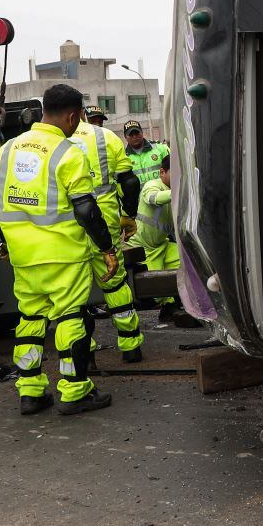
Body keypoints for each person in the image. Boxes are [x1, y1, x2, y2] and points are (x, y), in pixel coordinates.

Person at [0, 84, 120, 415]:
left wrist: (4, 243)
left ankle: (31, 392)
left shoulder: (6, 151)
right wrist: (106, 247)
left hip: (23, 255)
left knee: (30, 319)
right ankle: (75, 391)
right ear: (73, 115)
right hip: (63, 253)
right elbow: (86, 210)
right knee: (71, 318)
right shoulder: (68, 152)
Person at [77, 105, 146, 362]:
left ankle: (84, 356)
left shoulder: (51, 142)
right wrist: (128, 215)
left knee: (74, 293)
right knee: (115, 282)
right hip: (105, 221)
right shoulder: (104, 137)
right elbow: (129, 182)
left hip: (67, 228)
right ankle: (130, 346)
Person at [127, 153, 181, 318]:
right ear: (162, 172)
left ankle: (173, 306)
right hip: (145, 248)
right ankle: (167, 306)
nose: (179, 177)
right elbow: (153, 198)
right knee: (155, 290)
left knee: (185, 262)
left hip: (162, 244)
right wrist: (178, 191)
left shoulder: (177, 191)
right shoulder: (152, 185)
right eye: (175, 172)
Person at [123, 119, 170, 187]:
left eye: (137, 133)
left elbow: (173, 170)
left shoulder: (160, 148)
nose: (135, 137)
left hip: (162, 194)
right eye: (131, 135)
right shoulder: (123, 157)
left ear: (142, 132)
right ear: (125, 137)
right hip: (139, 197)